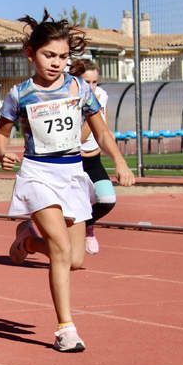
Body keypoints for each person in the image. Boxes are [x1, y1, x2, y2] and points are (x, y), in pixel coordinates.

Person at [0, 10, 135, 353]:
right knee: (58, 246)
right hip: (37, 174)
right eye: (48, 55)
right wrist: (2, 153)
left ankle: (27, 241)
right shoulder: (20, 95)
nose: (56, 63)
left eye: (62, 56)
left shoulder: (78, 87)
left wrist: (119, 162)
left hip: (72, 173)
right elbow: (1, 134)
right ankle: (65, 329)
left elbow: (101, 130)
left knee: (73, 259)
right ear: (31, 53)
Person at [70, 59, 117, 255]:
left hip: (93, 159)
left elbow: (103, 123)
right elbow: (85, 130)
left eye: (94, 82)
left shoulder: (101, 95)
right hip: (73, 160)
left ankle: (88, 226)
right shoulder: (71, 100)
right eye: (86, 82)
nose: (91, 87)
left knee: (107, 199)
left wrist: (111, 146)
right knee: (71, 208)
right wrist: (91, 115)